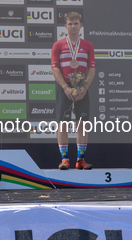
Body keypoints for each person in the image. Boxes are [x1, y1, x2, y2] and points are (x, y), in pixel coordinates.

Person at [51, 12, 95, 170]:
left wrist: (84, 88)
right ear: (65, 26)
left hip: (82, 86)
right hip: (65, 87)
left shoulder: (88, 45)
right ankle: (64, 160)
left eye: (76, 23)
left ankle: (80, 160)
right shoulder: (58, 45)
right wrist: (65, 87)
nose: (73, 26)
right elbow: (55, 68)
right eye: (70, 24)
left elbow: (91, 69)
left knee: (82, 124)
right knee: (62, 124)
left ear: (81, 25)